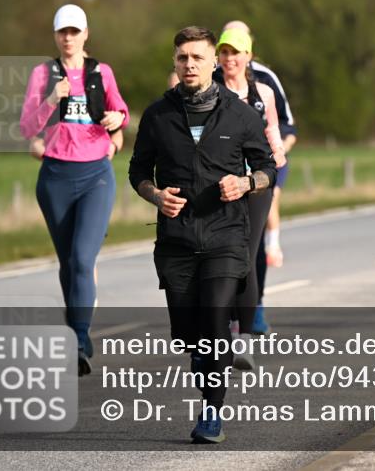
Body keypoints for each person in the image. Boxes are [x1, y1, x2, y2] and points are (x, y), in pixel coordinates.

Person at [129, 26, 276, 443]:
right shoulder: (158, 116)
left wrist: (245, 184)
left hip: (225, 236)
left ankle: (212, 411)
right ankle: (206, 364)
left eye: (197, 57)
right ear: (174, 63)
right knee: (187, 335)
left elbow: (267, 167)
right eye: (182, 58)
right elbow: (137, 171)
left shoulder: (240, 114)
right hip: (176, 240)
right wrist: (156, 196)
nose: (189, 64)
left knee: (215, 320)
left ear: (213, 62)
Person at [19, 4, 129, 376]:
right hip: (55, 176)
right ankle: (76, 332)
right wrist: (52, 98)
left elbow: (121, 112)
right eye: (62, 32)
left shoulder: (101, 72)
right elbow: (27, 127)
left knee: (83, 259)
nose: (68, 38)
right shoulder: (43, 74)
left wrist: (116, 119)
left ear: (85, 34)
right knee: (68, 262)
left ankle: (79, 339)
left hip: (96, 174)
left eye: (74, 31)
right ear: (55, 35)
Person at [214, 27, 287, 370]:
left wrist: (275, 159)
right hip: (218, 185)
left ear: (248, 56)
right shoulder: (210, 90)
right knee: (220, 257)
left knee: (245, 255)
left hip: (256, 185)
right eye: (224, 52)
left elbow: (273, 131)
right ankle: (222, 330)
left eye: (236, 52)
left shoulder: (263, 92)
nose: (230, 59)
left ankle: (241, 338)